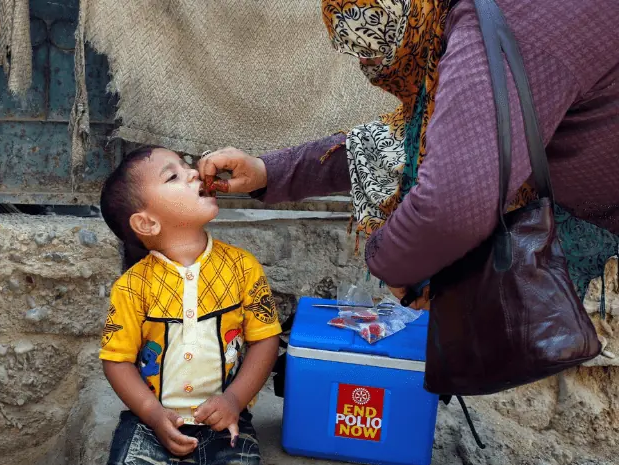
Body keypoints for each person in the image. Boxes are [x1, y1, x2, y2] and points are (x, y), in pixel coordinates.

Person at [197, 0, 619, 309]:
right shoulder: (458, 24)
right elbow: (396, 141)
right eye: (359, 55)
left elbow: (452, 204)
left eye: (380, 52)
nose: (376, 72)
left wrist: (394, 263)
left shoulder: (497, 26)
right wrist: (267, 171)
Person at [99, 146, 281, 465]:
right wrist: (153, 414)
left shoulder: (243, 268)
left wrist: (234, 401)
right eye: (173, 175)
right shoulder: (131, 286)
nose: (194, 172)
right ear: (147, 222)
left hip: (227, 422)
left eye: (186, 166)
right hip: (150, 426)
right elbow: (116, 360)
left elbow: (266, 340)